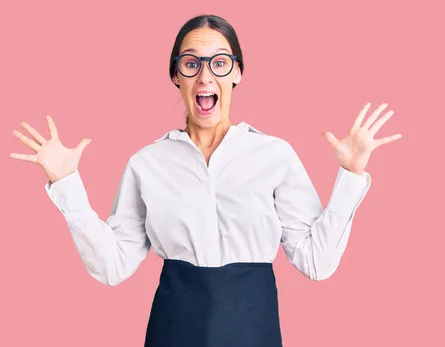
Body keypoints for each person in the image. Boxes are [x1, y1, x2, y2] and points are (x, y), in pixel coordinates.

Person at [9, 14, 402, 347]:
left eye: (220, 62)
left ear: (238, 73)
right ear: (175, 76)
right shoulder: (147, 164)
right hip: (174, 328)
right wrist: (67, 184)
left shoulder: (275, 155)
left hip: (255, 328)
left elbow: (317, 262)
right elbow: (113, 267)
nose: (204, 76)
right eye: (191, 63)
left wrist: (351, 175)